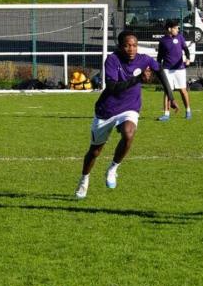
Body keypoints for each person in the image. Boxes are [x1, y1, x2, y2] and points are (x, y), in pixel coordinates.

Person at [74, 30, 178, 199]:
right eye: (127, 45)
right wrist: (138, 80)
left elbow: (159, 71)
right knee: (95, 151)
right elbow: (113, 87)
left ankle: (113, 168)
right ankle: (84, 179)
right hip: (107, 110)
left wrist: (171, 97)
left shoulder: (144, 59)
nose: (132, 49)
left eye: (134, 45)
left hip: (130, 107)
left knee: (129, 133)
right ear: (120, 47)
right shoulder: (112, 60)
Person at [156, 19, 192, 121]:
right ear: (169, 29)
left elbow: (186, 49)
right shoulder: (163, 41)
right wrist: (157, 67)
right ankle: (166, 114)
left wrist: (188, 59)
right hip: (167, 69)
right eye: (176, 28)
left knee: (182, 90)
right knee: (168, 91)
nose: (177, 30)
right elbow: (160, 56)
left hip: (180, 69)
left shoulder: (180, 37)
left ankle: (188, 111)